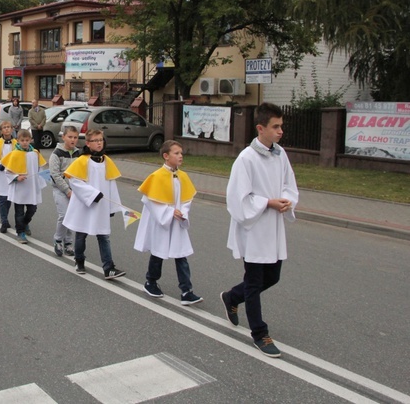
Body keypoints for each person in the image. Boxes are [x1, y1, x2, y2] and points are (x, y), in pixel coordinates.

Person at [220, 103, 299, 359]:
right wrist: (267, 202)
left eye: (281, 126)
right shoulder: (246, 159)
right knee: (254, 283)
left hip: (273, 227)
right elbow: (237, 198)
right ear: (260, 128)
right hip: (253, 228)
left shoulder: (280, 154)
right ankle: (259, 334)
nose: (280, 131)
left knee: (272, 277)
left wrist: (287, 200)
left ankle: (232, 297)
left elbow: (289, 184)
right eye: (275, 127)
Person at [133, 140, 203, 305]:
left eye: (181, 153)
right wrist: (169, 212)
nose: (180, 156)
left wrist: (183, 212)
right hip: (162, 221)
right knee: (158, 252)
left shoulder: (182, 176)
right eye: (176, 153)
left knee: (181, 254)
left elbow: (187, 199)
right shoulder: (156, 176)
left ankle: (186, 291)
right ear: (166, 156)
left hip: (177, 221)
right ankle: (150, 282)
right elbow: (151, 201)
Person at [63, 129, 125, 279]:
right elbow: (74, 181)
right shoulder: (82, 161)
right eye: (95, 140)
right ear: (88, 143)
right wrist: (92, 194)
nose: (99, 143)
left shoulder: (107, 161)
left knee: (104, 235)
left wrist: (113, 207)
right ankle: (79, 261)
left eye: (101, 140)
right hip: (85, 204)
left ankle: (108, 268)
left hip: (101, 206)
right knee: (81, 234)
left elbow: (111, 185)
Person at [0, 129, 47, 244]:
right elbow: (8, 171)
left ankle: (25, 223)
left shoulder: (35, 153)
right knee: (19, 211)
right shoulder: (15, 154)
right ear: (18, 141)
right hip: (20, 188)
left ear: (31, 140)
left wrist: (42, 178)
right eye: (22, 140)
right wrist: (16, 177)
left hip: (31, 187)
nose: (25, 143)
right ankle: (20, 232)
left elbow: (40, 168)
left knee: (32, 209)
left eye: (27, 140)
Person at [49, 125, 80, 257]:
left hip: (75, 191)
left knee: (70, 216)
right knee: (64, 215)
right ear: (63, 137)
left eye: (75, 137)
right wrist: (67, 191)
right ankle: (57, 240)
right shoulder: (56, 154)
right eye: (70, 137)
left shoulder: (78, 153)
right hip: (60, 190)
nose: (73, 140)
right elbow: (55, 175)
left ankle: (68, 242)